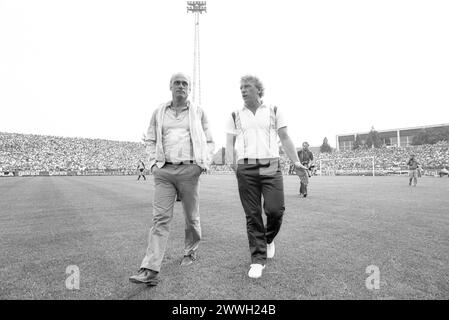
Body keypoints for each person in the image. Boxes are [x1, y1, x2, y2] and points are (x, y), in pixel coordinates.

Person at [129, 72, 215, 286]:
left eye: (185, 83)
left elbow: (210, 141)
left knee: (191, 218)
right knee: (160, 219)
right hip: (164, 172)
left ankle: (190, 251)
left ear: (189, 88)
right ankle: (150, 269)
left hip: (189, 170)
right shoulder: (159, 112)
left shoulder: (199, 113)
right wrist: (152, 165)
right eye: (177, 83)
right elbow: (150, 139)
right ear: (170, 86)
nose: (181, 86)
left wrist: (201, 165)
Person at [225, 75, 308, 279]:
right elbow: (229, 143)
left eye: (248, 87)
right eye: (241, 87)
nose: (243, 90)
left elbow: (285, 137)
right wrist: (232, 164)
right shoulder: (235, 114)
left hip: (270, 164)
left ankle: (268, 239)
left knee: (275, 210)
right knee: (252, 215)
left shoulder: (274, 110)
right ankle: (258, 260)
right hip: (246, 166)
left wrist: (296, 162)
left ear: (258, 90)